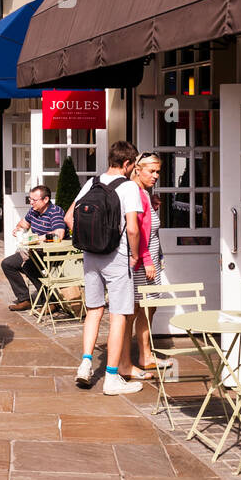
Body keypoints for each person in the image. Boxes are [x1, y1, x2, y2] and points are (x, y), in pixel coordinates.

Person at [65, 140, 144, 397]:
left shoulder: (92, 182)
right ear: (128, 163)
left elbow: (69, 218)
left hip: (91, 256)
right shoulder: (129, 187)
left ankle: (86, 363)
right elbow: (132, 227)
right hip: (116, 256)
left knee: (94, 311)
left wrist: (89, 239)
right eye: (134, 165)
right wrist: (133, 255)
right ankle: (111, 377)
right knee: (119, 314)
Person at [1, 184, 69, 311]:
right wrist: (18, 229)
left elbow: (59, 234)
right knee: (8, 264)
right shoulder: (34, 211)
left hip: (52, 253)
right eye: (30, 199)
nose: (31, 202)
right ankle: (24, 299)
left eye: (34, 200)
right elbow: (24, 224)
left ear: (46, 200)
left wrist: (37, 239)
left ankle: (51, 301)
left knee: (29, 266)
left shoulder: (55, 212)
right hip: (35, 251)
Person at [130, 152, 164, 378]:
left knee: (147, 308)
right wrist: (148, 260)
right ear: (137, 169)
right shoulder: (138, 194)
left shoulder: (142, 193)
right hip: (145, 263)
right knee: (141, 308)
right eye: (151, 171)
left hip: (147, 260)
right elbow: (139, 232)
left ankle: (146, 353)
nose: (155, 176)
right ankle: (143, 355)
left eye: (158, 171)